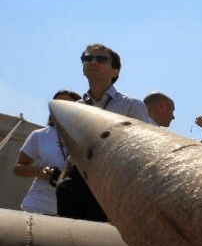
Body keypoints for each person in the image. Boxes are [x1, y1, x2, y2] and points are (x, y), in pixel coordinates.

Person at [56, 43, 155, 222]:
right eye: (87, 58)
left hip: (114, 182)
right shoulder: (74, 109)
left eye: (101, 59)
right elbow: (71, 153)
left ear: (115, 72)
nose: (93, 62)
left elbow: (146, 143)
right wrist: (62, 182)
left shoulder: (132, 105)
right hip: (76, 182)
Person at [13, 90, 82, 215]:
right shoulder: (40, 135)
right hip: (37, 205)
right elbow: (18, 168)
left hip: (72, 209)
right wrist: (39, 172)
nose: (61, 108)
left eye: (68, 105)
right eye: (57, 104)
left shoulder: (87, 138)